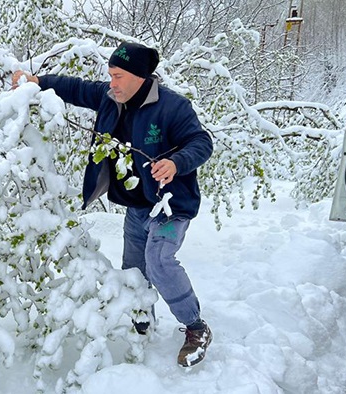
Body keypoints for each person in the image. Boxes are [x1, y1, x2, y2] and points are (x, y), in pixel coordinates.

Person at [11, 41, 214, 367]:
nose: (112, 83)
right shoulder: (110, 97)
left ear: (140, 77)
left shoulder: (173, 107)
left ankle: (196, 327)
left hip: (170, 206)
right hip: (137, 208)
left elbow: (201, 141)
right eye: (110, 75)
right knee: (135, 272)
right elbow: (75, 88)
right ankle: (142, 324)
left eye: (118, 76)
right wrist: (39, 81)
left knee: (158, 261)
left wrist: (176, 162)